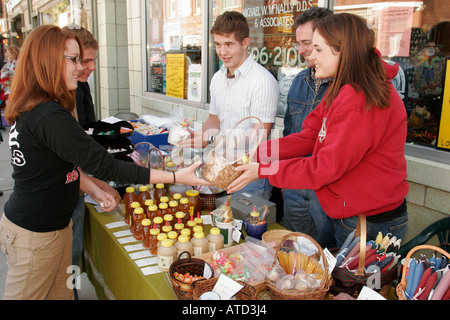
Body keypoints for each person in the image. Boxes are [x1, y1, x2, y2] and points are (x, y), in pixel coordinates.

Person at [0, 25, 209, 300]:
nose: (80, 67)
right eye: (73, 59)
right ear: (48, 61)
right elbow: (107, 166)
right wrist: (175, 177)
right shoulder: (48, 115)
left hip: (51, 228)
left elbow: (59, 166)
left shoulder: (42, 107)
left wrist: (96, 189)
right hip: (36, 233)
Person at [228, 13, 409, 248]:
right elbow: (310, 136)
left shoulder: (359, 98)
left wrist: (264, 169)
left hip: (369, 220)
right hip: (345, 211)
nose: (311, 56)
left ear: (344, 51)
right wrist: (255, 154)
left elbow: (325, 167)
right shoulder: (342, 87)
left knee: (340, 281)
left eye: (318, 49)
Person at [179, 11, 279, 200]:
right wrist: (198, 134)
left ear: (245, 43)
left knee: (245, 227)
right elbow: (214, 121)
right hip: (218, 168)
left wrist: (208, 141)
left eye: (229, 44)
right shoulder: (217, 78)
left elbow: (256, 139)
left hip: (249, 175)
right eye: (217, 44)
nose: (222, 52)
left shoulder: (262, 81)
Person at [63, 25, 121, 286]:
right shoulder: (54, 105)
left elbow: (86, 137)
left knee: (72, 259)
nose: (90, 67)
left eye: (91, 61)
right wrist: (98, 187)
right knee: (64, 265)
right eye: (83, 60)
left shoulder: (80, 87)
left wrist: (96, 186)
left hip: (75, 186)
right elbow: (69, 158)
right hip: (56, 203)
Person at [282, 7, 333, 237]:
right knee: (295, 257)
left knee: (325, 260)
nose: (301, 51)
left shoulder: (345, 88)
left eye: (308, 43)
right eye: (298, 44)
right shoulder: (299, 81)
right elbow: (290, 134)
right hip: (295, 187)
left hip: (326, 191)